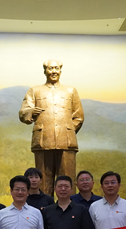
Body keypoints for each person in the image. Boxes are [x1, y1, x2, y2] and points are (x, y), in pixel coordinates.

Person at [19, 59, 84, 196]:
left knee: (67, 181)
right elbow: (23, 113)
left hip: (67, 143)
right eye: (50, 68)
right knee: (43, 183)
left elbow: (78, 117)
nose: (54, 71)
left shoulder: (71, 91)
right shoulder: (35, 90)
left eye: (56, 68)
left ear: (60, 70)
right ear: (45, 71)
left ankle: (68, 207)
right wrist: (31, 112)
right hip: (43, 141)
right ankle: (44, 208)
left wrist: (67, 132)